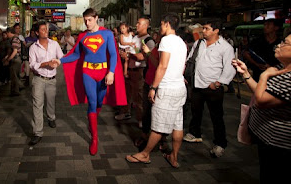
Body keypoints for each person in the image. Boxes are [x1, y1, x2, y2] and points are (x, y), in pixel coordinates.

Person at [58, 8, 127, 155]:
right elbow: (75, 55)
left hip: (103, 72)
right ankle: (94, 138)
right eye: (85, 20)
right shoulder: (82, 36)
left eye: (89, 20)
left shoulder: (107, 34)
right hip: (87, 72)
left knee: (99, 102)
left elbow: (113, 54)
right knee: (92, 102)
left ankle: (92, 120)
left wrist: (111, 72)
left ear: (96, 18)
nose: (87, 23)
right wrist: (59, 60)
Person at [125, 13, 187, 167]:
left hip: (166, 88)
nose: (160, 28)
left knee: (158, 126)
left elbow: (162, 66)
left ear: (167, 24)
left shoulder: (166, 40)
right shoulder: (181, 42)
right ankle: (174, 156)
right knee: (177, 125)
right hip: (179, 88)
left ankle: (145, 154)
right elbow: (178, 65)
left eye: (161, 24)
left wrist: (153, 87)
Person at [232, 35, 291, 184]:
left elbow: (261, 101)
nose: (279, 45)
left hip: (279, 142)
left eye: (285, 43)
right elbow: (261, 92)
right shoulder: (279, 68)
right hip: (266, 136)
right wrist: (245, 73)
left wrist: (264, 75)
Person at [183, 20, 236, 158]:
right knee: (196, 111)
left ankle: (220, 143)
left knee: (216, 116)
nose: (203, 31)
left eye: (206, 28)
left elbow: (230, 68)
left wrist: (218, 83)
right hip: (197, 84)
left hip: (213, 87)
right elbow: (190, 59)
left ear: (216, 30)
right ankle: (195, 133)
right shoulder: (199, 43)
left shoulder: (225, 47)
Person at [115, 17, 155, 130]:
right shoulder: (135, 37)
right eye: (137, 23)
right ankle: (125, 112)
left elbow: (143, 57)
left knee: (139, 98)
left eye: (139, 23)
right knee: (126, 94)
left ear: (146, 25)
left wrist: (128, 55)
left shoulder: (149, 41)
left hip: (139, 72)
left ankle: (141, 120)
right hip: (129, 70)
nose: (136, 25)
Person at [28, 22, 64, 145]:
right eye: (43, 29)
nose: (46, 31)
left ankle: (51, 117)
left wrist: (56, 62)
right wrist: (45, 64)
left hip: (52, 79)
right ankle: (38, 132)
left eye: (46, 29)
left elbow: (61, 57)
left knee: (50, 101)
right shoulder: (33, 47)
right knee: (37, 104)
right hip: (38, 79)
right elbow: (32, 65)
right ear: (37, 32)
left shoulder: (54, 44)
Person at [5, 27, 23, 97]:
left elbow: (15, 51)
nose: (7, 35)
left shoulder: (14, 39)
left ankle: (15, 91)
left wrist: (8, 59)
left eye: (7, 33)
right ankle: (19, 87)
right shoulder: (15, 39)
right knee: (15, 75)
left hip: (16, 60)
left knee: (14, 76)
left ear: (9, 32)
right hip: (17, 59)